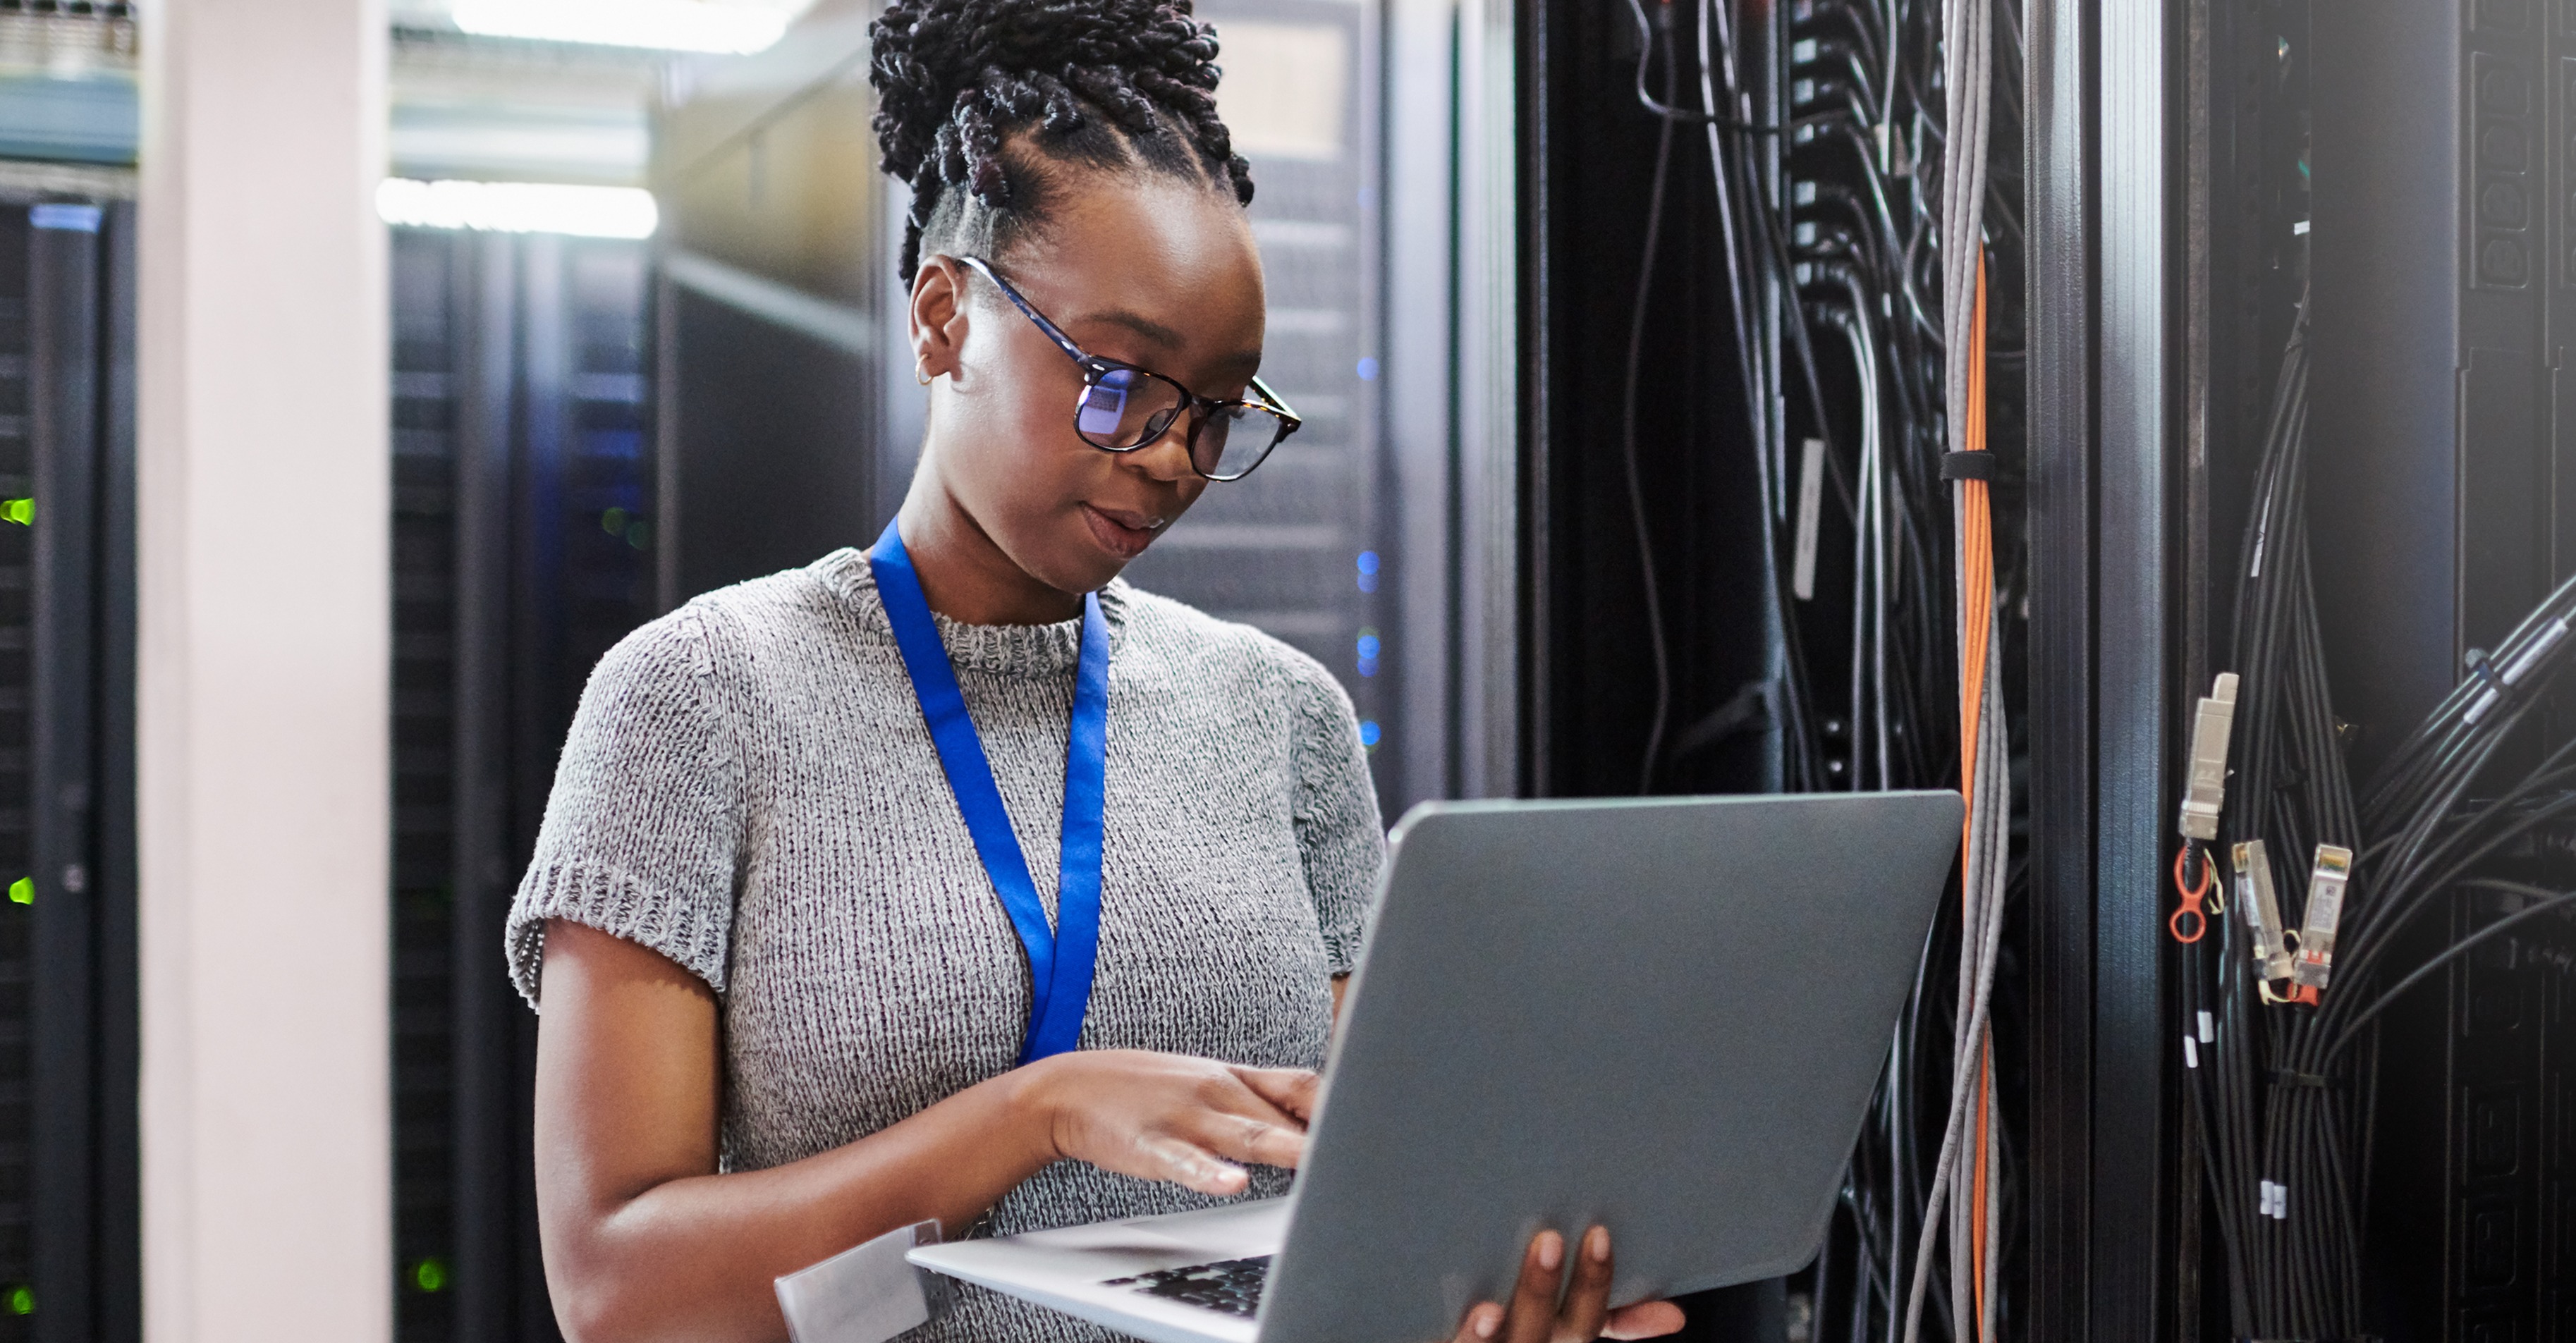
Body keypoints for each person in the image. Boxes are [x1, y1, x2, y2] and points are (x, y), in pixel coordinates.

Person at [509, 1, 1690, 1340]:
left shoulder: (1281, 717)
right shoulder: (699, 697)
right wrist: (1037, 1111)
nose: (1174, 458)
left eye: (1218, 409)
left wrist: (1487, 1301)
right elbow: (616, 1295)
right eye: (1121, 381)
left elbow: (1371, 1208)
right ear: (947, 318)